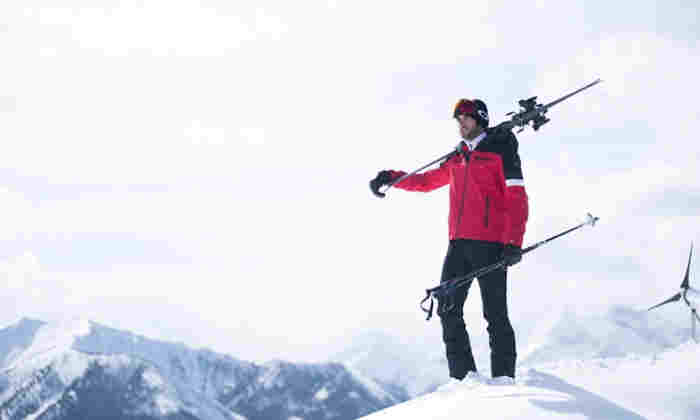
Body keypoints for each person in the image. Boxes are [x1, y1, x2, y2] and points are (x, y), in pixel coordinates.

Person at [370, 99, 528, 380]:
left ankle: (504, 380)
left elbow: (517, 198)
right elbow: (426, 182)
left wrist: (513, 242)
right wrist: (392, 178)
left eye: (466, 117)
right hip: (458, 245)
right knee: (447, 307)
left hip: (492, 244)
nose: (461, 123)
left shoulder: (499, 149)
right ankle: (464, 379)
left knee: (496, 316)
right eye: (458, 119)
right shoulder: (458, 157)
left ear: (480, 119)